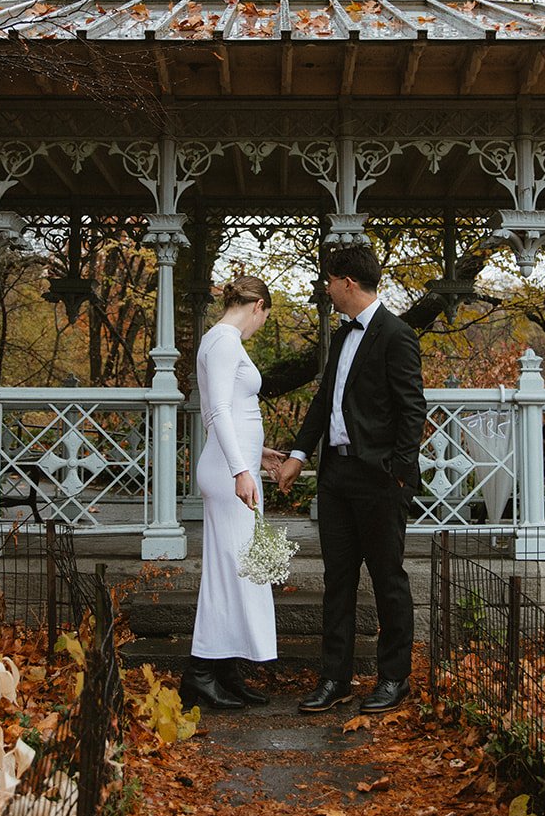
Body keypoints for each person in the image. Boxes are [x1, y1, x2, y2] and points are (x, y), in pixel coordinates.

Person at [275, 246, 425, 715]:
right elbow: (324, 401)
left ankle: (393, 678)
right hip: (336, 476)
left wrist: (398, 473)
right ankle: (334, 678)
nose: (326, 288)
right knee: (337, 579)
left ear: (348, 282)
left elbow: (412, 409)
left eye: (329, 280)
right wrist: (299, 454)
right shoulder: (340, 338)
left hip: (380, 479)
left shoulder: (397, 334)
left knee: (387, 579)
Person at [181, 275, 284, 711]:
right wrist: (241, 468)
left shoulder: (219, 341)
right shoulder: (223, 341)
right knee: (230, 572)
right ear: (258, 305)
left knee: (240, 570)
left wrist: (255, 453)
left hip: (235, 465)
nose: (260, 325)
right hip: (228, 473)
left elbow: (232, 411)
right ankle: (201, 672)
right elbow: (218, 409)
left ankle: (225, 669)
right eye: (265, 317)